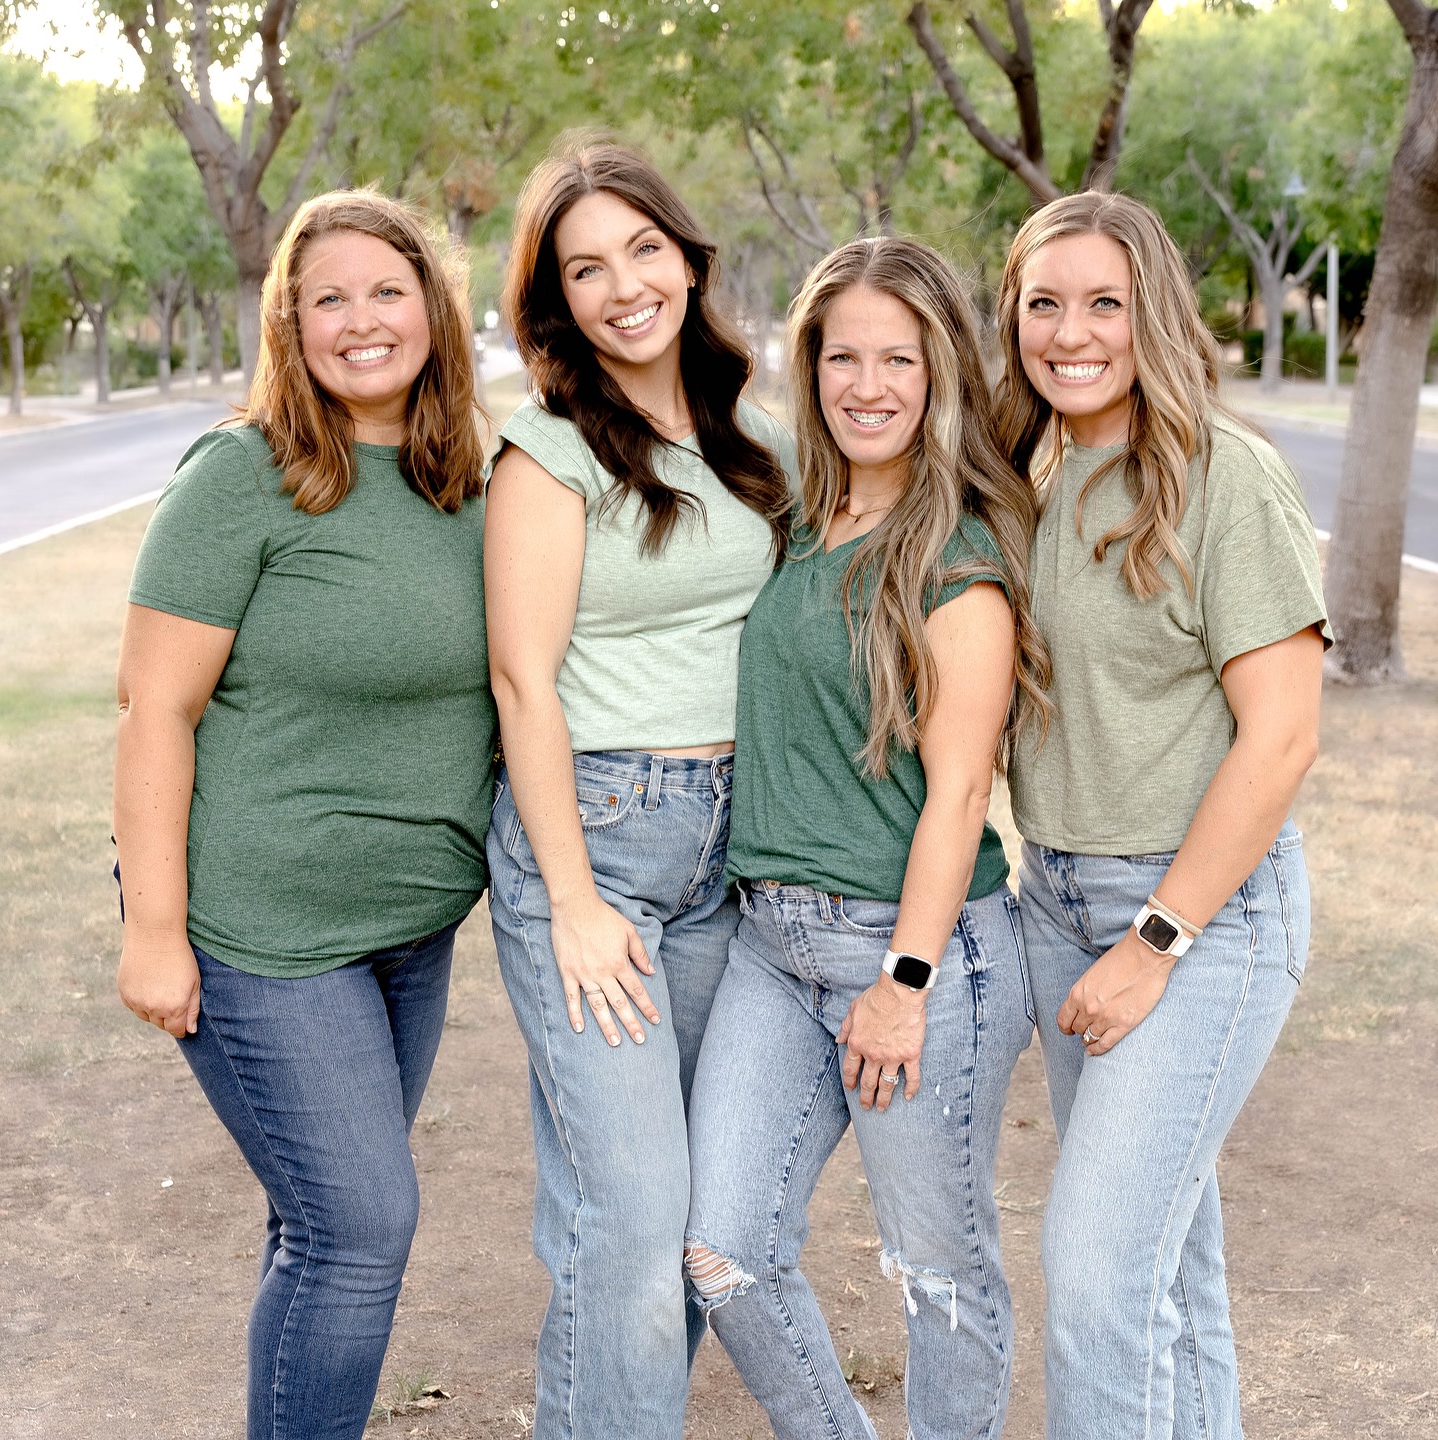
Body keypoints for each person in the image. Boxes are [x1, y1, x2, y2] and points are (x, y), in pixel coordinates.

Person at [112, 190, 495, 1440]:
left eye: (386, 290)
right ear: (290, 322)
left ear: (434, 310)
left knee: (317, 1225)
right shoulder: (244, 476)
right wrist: (153, 932)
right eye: (327, 298)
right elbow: (154, 709)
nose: (360, 320)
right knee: (362, 1227)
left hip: (410, 936)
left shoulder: (469, 482)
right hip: (264, 934)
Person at [683, 236, 1049, 1440]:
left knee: (939, 1272)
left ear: (940, 372)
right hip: (769, 948)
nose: (869, 385)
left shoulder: (959, 558)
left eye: (900, 359)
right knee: (724, 1248)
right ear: (811, 366)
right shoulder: (795, 515)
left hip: (916, 954)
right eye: (844, 357)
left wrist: (905, 981)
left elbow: (960, 793)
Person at [994, 191, 1329, 1440]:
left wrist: (1155, 940)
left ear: (1158, 317)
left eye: (1105, 304)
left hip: (1200, 918)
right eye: (1043, 303)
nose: (1070, 332)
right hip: (1056, 903)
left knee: (1096, 1281)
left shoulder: (1225, 477)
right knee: (1166, 1277)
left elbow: (1283, 736)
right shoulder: (1024, 479)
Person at [482, 141, 794, 1438]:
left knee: (688, 1223)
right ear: (556, 300)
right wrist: (570, 901)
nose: (624, 288)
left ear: (688, 258)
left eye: (643, 251)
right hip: (597, 841)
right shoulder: (549, 449)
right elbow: (521, 681)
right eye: (586, 269)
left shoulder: (750, 435)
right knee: (628, 1215)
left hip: (731, 851)